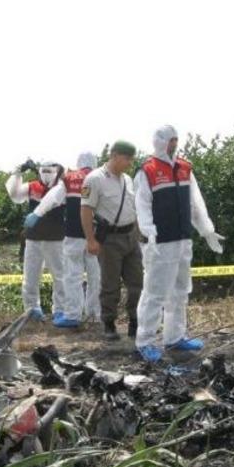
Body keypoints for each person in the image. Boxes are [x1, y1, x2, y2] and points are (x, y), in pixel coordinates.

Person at [134, 125, 225, 362]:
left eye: (176, 139)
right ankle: (145, 341)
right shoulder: (148, 170)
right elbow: (142, 205)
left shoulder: (185, 168)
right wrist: (149, 233)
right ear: (160, 141)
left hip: (183, 239)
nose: (174, 144)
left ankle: (174, 337)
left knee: (180, 290)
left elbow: (196, 203)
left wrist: (207, 229)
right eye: (170, 140)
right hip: (159, 242)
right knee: (154, 293)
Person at [31, 152, 101, 327]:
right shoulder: (101, 177)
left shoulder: (70, 179)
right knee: (96, 276)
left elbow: (52, 198)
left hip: (73, 235)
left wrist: (36, 213)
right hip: (97, 236)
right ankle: (94, 315)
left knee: (72, 276)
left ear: (78, 163)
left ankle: (72, 315)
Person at [82, 142, 142, 341]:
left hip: (131, 236)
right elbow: (86, 210)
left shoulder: (128, 180)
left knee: (137, 283)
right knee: (110, 284)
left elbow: (133, 208)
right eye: (127, 158)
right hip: (110, 239)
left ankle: (135, 321)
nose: (130, 163)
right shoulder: (94, 179)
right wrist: (91, 240)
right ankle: (109, 324)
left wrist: (139, 233)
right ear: (115, 156)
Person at [6, 161, 70, 324]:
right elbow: (14, 195)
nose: (47, 173)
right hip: (33, 239)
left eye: (51, 170)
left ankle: (60, 310)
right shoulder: (32, 186)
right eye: (44, 170)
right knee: (31, 276)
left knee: (60, 276)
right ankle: (32, 309)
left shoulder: (63, 188)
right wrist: (18, 172)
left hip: (56, 239)